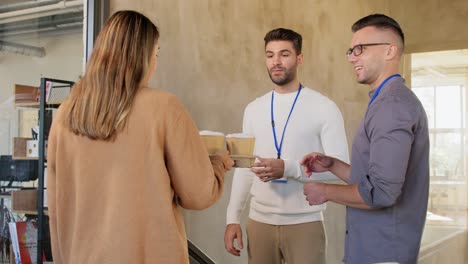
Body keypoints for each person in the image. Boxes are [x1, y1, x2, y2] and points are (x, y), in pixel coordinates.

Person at [47, 10, 233, 264]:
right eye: (155, 54)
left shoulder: (65, 116)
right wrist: (218, 163)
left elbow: (56, 209)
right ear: (142, 57)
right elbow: (198, 193)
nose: (155, 64)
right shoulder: (164, 108)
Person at [301, 14, 429, 264]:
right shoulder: (384, 102)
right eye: (350, 50)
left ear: (390, 51)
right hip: (373, 251)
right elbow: (376, 180)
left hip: (383, 254)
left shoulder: (392, 106)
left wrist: (325, 191)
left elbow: (382, 193)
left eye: (360, 49)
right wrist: (333, 165)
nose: (351, 57)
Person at [224, 28, 349, 264]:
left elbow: (341, 168)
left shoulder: (325, 107)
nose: (276, 62)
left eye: (284, 54)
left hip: (305, 223)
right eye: (270, 55)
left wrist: (289, 169)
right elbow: (244, 167)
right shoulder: (253, 109)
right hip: (258, 222)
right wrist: (232, 217)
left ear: (299, 58)